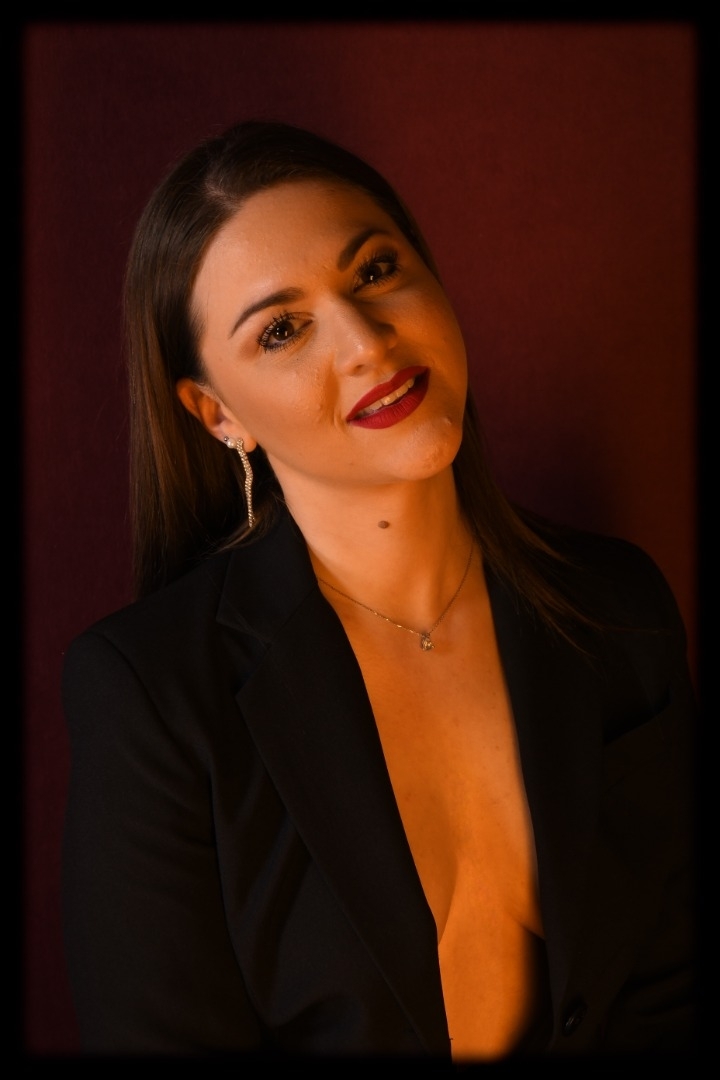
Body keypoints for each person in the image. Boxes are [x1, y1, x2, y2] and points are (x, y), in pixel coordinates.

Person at [61, 119, 698, 1061]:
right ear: (218, 413)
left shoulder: (618, 607)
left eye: (374, 270)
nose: (366, 341)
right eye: (283, 329)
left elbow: (672, 991)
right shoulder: (153, 696)